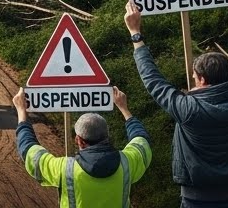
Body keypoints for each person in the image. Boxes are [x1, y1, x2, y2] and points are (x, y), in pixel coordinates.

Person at [126, 0, 228, 207]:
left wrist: (135, 33)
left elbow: (152, 80)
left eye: (194, 77)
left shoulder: (189, 108)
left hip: (194, 199)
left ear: (202, 79)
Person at [14, 86, 152, 207]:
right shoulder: (127, 163)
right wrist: (124, 108)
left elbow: (29, 151)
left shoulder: (64, 169)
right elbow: (141, 139)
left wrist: (22, 112)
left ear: (78, 140)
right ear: (107, 136)